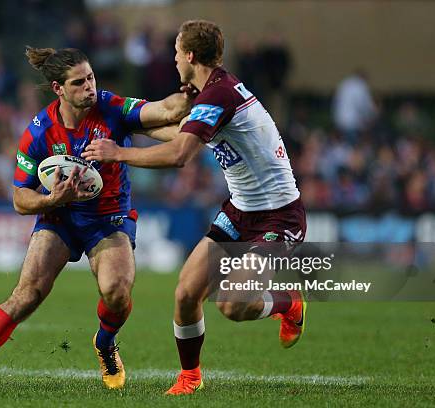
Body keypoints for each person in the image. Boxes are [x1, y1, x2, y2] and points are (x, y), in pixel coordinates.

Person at [0, 46, 191, 391]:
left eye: (90, 77)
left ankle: (105, 344)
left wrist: (192, 92)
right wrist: (51, 199)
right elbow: (19, 198)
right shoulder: (39, 132)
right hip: (60, 217)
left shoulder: (111, 107)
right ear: (59, 89)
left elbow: (164, 110)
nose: (90, 87)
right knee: (26, 295)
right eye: (79, 82)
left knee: (116, 292)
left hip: (109, 218)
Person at [82, 20, 307, 395]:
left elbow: (180, 154)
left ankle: (288, 303)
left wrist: (118, 152)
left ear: (189, 55)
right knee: (186, 294)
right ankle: (190, 377)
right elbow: (178, 129)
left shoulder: (218, 96)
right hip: (239, 211)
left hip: (279, 216)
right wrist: (126, 124)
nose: (172, 60)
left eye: (175, 52)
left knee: (234, 305)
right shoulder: (212, 90)